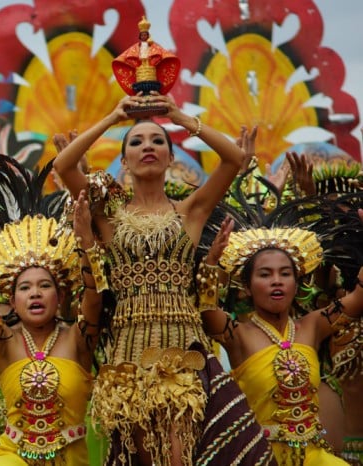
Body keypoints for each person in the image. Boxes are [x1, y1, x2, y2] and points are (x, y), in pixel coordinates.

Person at [53, 87, 253, 465]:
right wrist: (114, 118)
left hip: (184, 352)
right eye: (137, 142)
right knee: (141, 457)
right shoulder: (107, 215)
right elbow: (63, 167)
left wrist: (180, 118)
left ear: (170, 157)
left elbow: (234, 158)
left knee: (178, 455)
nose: (148, 146)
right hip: (128, 353)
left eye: (158, 141)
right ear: (124, 162)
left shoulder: (191, 211)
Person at [0, 192, 104, 465]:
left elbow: (94, 296)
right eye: (25, 288)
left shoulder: (79, 339)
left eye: (45, 285)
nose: (35, 294)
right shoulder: (4, 342)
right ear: (13, 302)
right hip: (12, 457)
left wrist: (86, 242)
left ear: (60, 297)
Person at [201, 219, 363, 465]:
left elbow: (359, 298)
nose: (276, 281)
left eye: (285, 274)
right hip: (260, 457)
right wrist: (211, 262)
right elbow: (206, 311)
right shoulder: (237, 336)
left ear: (296, 284)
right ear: (246, 286)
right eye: (265, 274)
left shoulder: (313, 326)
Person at [111, 16, 180, 96]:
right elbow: (129, 55)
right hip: (141, 64)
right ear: (140, 36)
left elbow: (160, 53)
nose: (144, 36)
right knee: (142, 61)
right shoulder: (137, 47)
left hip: (149, 65)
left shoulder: (153, 46)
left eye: (145, 35)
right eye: (142, 35)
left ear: (147, 35)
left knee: (148, 60)